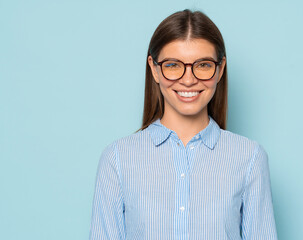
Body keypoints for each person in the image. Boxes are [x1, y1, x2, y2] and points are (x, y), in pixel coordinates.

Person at [89, 9, 277, 240]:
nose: (188, 79)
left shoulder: (250, 158)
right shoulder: (117, 158)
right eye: (173, 65)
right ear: (155, 69)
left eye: (204, 65)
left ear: (220, 69)